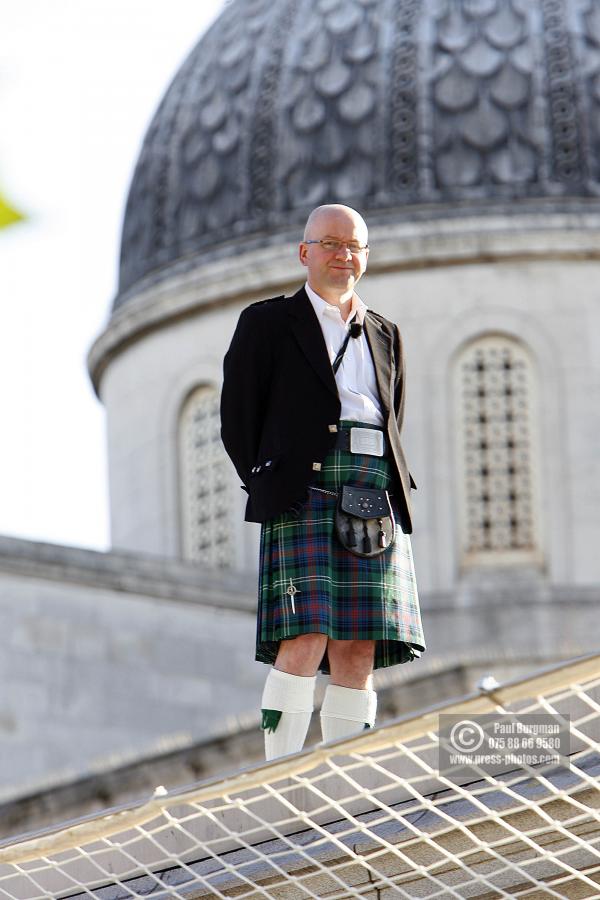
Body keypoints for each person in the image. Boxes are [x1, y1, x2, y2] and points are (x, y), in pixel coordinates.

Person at [220, 204, 425, 760]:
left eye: (355, 246)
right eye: (331, 244)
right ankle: (279, 777)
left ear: (366, 256)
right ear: (304, 252)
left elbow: (393, 415)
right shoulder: (266, 323)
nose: (344, 255)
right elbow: (238, 417)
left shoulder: (385, 333)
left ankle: (345, 783)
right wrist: (272, 482)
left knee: (358, 647)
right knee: (304, 635)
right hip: (304, 490)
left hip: (373, 489)